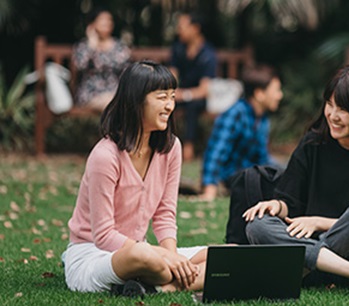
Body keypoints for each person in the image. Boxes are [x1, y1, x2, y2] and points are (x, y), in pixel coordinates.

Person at [243, 64, 349, 302]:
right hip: (347, 265)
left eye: (343, 109)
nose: (332, 115)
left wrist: (317, 222)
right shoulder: (313, 143)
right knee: (257, 224)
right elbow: (290, 202)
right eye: (329, 104)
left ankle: (301, 268)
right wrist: (275, 206)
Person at [63, 61, 208, 297]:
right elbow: (103, 236)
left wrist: (171, 255)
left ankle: (157, 286)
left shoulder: (171, 149)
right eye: (162, 97)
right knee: (142, 256)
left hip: (146, 253)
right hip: (94, 254)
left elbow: (164, 215)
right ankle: (176, 279)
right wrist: (167, 258)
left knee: (225, 255)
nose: (170, 105)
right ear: (136, 101)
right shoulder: (105, 156)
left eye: (172, 96)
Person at [198, 64, 284, 202]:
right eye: (276, 91)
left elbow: (263, 158)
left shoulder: (262, 118)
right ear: (259, 94)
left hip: (254, 172)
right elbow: (215, 152)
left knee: (287, 170)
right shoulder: (235, 114)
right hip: (234, 177)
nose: (280, 95)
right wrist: (209, 188)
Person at [169, 12, 218, 161]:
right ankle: (164, 146)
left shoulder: (208, 54)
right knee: (166, 103)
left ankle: (188, 147)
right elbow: (172, 77)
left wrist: (182, 94)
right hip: (181, 95)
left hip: (199, 98)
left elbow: (204, 90)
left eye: (182, 27)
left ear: (195, 28)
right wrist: (171, 92)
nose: (179, 31)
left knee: (192, 105)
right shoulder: (178, 50)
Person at [72, 8, 130, 112]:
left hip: (114, 92)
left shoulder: (119, 47)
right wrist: (92, 45)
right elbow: (80, 66)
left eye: (109, 20)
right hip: (91, 94)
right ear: (92, 24)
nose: (107, 23)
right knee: (113, 103)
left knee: (116, 101)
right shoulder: (84, 46)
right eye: (102, 20)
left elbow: (127, 72)